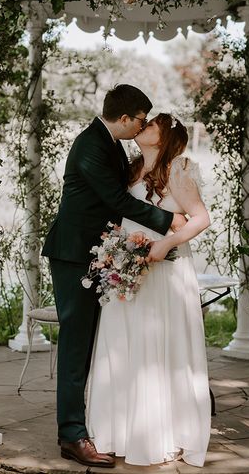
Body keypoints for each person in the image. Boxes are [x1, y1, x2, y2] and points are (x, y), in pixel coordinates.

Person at [41, 86, 187, 469]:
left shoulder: (112, 145)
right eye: (140, 119)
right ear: (125, 118)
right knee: (76, 346)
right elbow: (116, 200)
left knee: (95, 343)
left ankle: (100, 423)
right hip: (74, 256)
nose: (142, 126)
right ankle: (72, 436)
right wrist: (169, 220)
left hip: (100, 255)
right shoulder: (90, 145)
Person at [87, 113, 212, 467]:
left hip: (163, 271)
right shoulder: (132, 169)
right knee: (124, 345)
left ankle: (162, 433)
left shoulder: (178, 169)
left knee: (158, 351)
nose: (143, 128)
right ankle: (120, 431)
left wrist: (165, 244)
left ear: (165, 136)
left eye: (152, 124)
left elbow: (200, 219)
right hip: (127, 268)